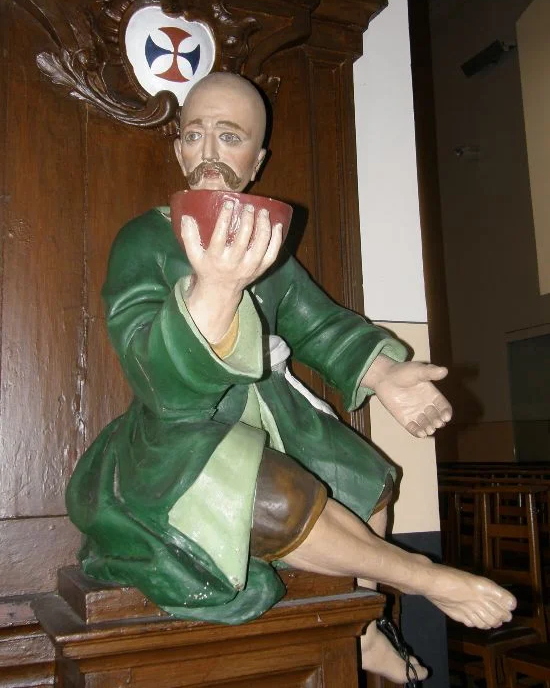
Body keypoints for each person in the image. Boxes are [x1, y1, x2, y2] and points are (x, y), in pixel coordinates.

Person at [66, 72, 515, 683]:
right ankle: (424, 578)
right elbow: (151, 368)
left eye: (230, 138)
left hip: (270, 408)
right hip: (180, 428)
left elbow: (318, 323)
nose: (209, 153)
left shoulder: (266, 242)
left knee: (367, 480)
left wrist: (385, 373)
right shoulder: (145, 239)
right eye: (194, 135)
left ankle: (363, 629)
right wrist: (213, 291)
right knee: (271, 497)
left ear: (256, 161)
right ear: (178, 149)